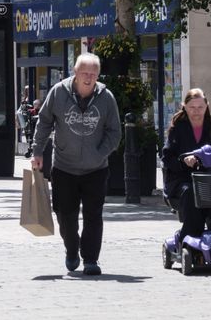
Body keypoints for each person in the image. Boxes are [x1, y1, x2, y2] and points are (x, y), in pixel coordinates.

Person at [31, 53, 121, 276]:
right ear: (75, 72)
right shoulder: (59, 92)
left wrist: (99, 154)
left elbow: (115, 132)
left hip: (96, 169)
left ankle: (91, 259)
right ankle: (72, 249)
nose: (88, 78)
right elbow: (44, 122)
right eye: (84, 73)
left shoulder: (106, 97)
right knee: (65, 215)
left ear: (98, 76)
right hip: (64, 167)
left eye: (93, 74)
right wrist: (37, 151)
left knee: (93, 215)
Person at [162, 88, 211, 240]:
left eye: (200, 107)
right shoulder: (178, 128)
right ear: (184, 106)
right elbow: (167, 158)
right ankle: (190, 234)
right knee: (191, 191)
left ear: (206, 106)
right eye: (192, 107)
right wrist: (183, 161)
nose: (196, 112)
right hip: (183, 179)